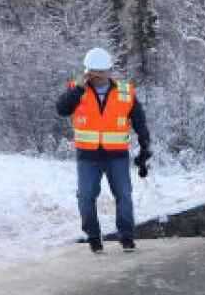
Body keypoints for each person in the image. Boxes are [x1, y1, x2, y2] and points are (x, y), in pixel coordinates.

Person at [55, 48, 153, 254]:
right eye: (93, 72)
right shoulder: (77, 90)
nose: (97, 77)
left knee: (124, 196)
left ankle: (126, 238)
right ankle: (93, 238)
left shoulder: (125, 92)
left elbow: (139, 121)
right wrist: (79, 89)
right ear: (87, 71)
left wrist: (145, 146)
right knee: (85, 197)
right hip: (87, 156)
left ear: (110, 71)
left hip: (116, 155)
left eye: (102, 72)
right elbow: (62, 109)